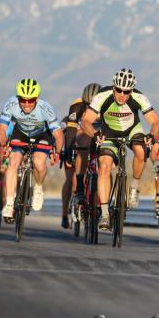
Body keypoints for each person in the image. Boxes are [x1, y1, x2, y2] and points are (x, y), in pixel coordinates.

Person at [81, 68, 159, 232]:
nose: (122, 95)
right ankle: (104, 214)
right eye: (119, 90)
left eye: (126, 92)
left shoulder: (139, 98)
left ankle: (134, 186)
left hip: (132, 130)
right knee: (104, 166)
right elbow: (86, 121)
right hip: (108, 133)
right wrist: (95, 134)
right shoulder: (102, 96)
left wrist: (152, 135)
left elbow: (156, 122)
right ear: (113, 87)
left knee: (140, 150)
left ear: (132, 90)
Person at [0, 78, 64, 221]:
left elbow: (58, 134)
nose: (26, 104)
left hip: (42, 134)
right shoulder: (11, 104)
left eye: (31, 100)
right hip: (20, 133)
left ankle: (38, 188)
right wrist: (4, 145)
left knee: (38, 162)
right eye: (23, 100)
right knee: (13, 161)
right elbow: (2, 128)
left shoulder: (46, 108)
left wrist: (57, 152)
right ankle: (9, 204)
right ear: (18, 98)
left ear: (37, 98)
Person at [60, 82, 102, 228]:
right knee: (71, 178)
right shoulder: (76, 107)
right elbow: (70, 132)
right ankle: (65, 213)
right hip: (77, 140)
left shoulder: (107, 105)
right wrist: (69, 149)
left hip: (96, 140)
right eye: (88, 105)